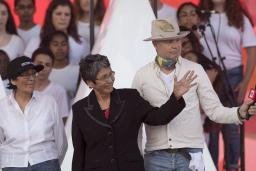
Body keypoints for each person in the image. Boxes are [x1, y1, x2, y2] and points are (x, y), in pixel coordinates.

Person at [132, 19, 256, 171]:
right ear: (155, 44)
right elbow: (134, 122)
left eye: (178, 39)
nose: (176, 45)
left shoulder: (196, 69)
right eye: (169, 40)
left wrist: (239, 112)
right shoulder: (142, 76)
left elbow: (214, 110)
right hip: (156, 156)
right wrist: (135, 159)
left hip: (191, 154)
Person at [71, 54, 197, 171]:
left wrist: (175, 97)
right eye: (104, 77)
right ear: (90, 83)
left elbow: (158, 117)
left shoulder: (130, 98)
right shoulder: (79, 110)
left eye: (111, 74)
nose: (110, 79)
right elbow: (79, 153)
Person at [199, 0, 256, 169]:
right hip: (209, 74)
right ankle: (212, 166)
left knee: (232, 125)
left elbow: (252, 51)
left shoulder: (239, 18)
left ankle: (232, 165)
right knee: (211, 125)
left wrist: (245, 82)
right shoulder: (201, 16)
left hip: (233, 75)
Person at [0, 56, 68, 170]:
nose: (31, 78)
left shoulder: (48, 102)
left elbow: (61, 141)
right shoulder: (2, 107)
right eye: (25, 75)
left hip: (46, 163)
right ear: (13, 80)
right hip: (13, 165)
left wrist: (51, 164)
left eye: (33, 73)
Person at [24, 0, 90, 65]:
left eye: (67, 14)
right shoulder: (35, 41)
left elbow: (87, 69)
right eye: (59, 14)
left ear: (71, 18)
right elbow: (25, 66)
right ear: (50, 16)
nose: (63, 18)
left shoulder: (81, 42)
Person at [40, 30, 79, 107]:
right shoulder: (42, 72)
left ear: (68, 47)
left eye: (63, 44)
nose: (60, 48)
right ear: (48, 47)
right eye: (55, 44)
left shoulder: (78, 70)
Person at [31, 47, 69, 123]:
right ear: (32, 64)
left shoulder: (59, 91)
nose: (43, 68)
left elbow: (62, 120)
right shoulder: (22, 88)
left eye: (47, 65)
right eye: (39, 64)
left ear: (52, 67)